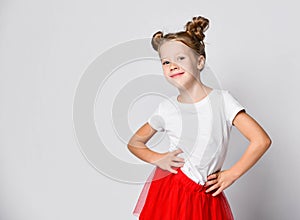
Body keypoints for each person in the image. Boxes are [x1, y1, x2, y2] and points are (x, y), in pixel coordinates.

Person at [127, 15, 272, 220]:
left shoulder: (222, 101)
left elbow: (261, 140)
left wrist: (232, 174)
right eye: (166, 61)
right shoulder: (167, 108)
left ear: (200, 61)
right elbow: (135, 143)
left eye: (181, 58)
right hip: (172, 192)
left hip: (206, 195)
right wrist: (158, 158)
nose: (172, 65)